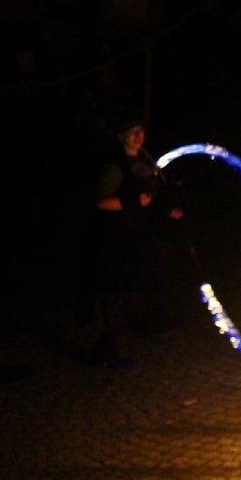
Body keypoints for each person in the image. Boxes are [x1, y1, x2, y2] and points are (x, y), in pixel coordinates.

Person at [82, 115, 184, 368]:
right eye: (132, 133)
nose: (139, 137)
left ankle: (146, 324)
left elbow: (148, 196)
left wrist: (165, 211)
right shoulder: (114, 165)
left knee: (150, 275)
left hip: (138, 233)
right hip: (116, 237)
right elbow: (101, 201)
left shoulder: (143, 160)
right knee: (124, 292)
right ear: (121, 136)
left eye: (141, 131)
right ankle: (104, 348)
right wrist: (133, 203)